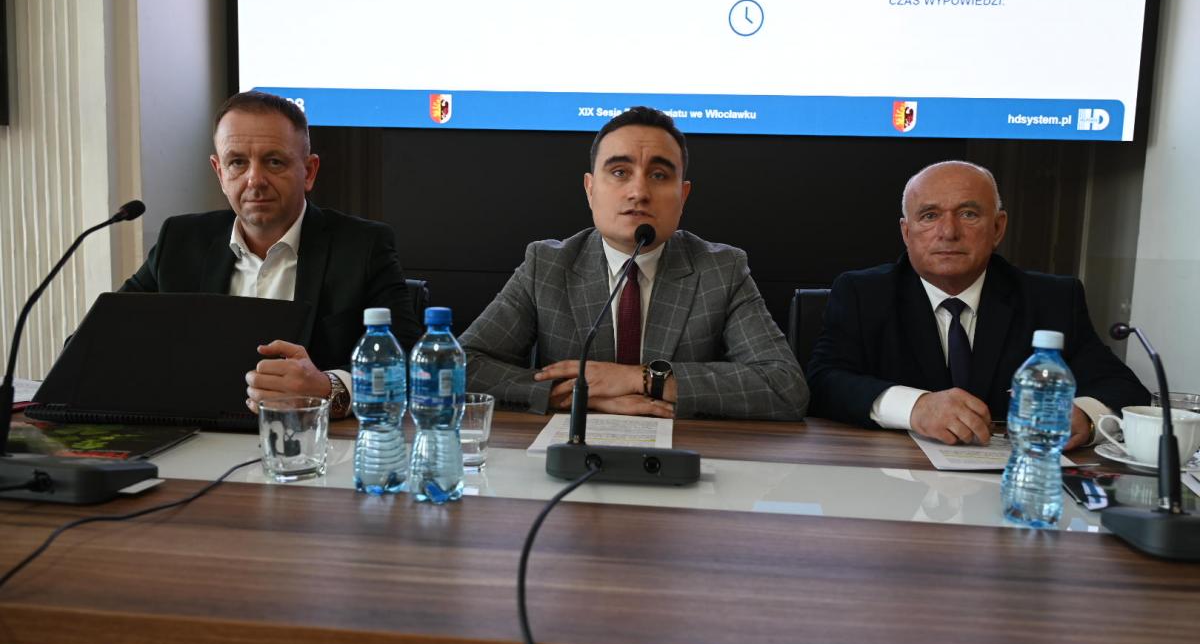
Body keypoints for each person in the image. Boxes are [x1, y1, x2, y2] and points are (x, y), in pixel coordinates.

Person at [460, 106, 807, 420]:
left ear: (683, 195)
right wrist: (575, 395)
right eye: (619, 172)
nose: (638, 192)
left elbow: (784, 386)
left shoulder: (721, 270)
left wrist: (638, 379)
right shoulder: (548, 265)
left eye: (659, 175)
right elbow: (461, 366)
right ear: (590, 189)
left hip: (683, 452)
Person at [807, 160, 1149, 449]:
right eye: (929, 216)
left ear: (998, 228)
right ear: (906, 232)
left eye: (968, 214)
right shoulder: (863, 293)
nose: (948, 232)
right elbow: (823, 383)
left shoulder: (1052, 298)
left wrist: (1084, 416)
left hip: (1013, 475)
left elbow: (1124, 388)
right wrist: (916, 407)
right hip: (894, 475)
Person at [119, 91, 421, 417]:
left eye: (274, 161)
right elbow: (106, 340)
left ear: (309, 171)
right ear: (220, 172)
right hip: (196, 435)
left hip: (309, 438)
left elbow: (410, 362)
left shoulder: (363, 246)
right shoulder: (179, 242)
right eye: (237, 162)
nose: (255, 180)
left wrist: (328, 387)